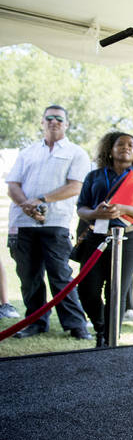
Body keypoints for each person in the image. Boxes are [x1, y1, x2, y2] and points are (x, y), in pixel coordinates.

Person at [5, 105, 92, 339]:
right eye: (49, 118)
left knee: (60, 275)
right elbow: (12, 184)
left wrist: (41, 200)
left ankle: (76, 325)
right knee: (29, 276)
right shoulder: (28, 152)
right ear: (42, 122)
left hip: (55, 223)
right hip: (22, 223)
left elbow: (75, 186)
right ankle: (35, 322)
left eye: (59, 119)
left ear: (67, 124)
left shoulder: (76, 153)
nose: (54, 122)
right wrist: (27, 205)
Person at [76, 131, 133, 347]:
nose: (126, 147)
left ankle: (109, 340)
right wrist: (95, 213)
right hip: (96, 238)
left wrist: (123, 208)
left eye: (131, 145)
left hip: (129, 241)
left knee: (116, 290)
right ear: (110, 150)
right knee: (87, 288)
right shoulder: (94, 176)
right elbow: (81, 209)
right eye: (120, 144)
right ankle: (100, 327)